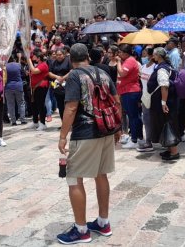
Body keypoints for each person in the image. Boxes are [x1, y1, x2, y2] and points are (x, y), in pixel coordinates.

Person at [56, 44, 120, 244]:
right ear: (87, 57)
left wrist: (63, 135)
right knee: (101, 175)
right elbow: (116, 101)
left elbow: (71, 107)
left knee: (74, 178)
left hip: (85, 132)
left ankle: (81, 230)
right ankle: (103, 222)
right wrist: (119, 128)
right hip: (106, 130)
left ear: (70, 58)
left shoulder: (75, 75)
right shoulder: (103, 73)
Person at [148, 47, 180, 160]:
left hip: (165, 102)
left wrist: (163, 102)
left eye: (154, 55)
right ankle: (169, 149)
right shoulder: (167, 66)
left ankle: (174, 152)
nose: (153, 57)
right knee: (164, 124)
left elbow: (164, 86)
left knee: (168, 124)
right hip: (168, 101)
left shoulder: (162, 69)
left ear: (158, 56)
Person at [116, 44, 144, 149]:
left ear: (125, 53)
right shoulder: (129, 60)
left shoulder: (130, 61)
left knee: (133, 116)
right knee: (135, 116)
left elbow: (122, 73)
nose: (119, 54)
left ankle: (134, 139)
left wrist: (118, 62)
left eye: (120, 52)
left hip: (130, 91)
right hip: (128, 91)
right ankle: (139, 138)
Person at [137, 47, 156, 152]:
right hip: (144, 97)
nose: (143, 55)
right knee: (147, 120)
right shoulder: (143, 66)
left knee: (153, 120)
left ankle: (152, 141)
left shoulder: (155, 67)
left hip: (153, 98)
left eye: (144, 53)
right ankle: (149, 141)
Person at [27, 48, 50, 131]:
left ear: (38, 58)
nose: (32, 57)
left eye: (34, 56)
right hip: (35, 87)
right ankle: (35, 121)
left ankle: (43, 123)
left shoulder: (43, 65)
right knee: (34, 105)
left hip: (41, 87)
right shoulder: (37, 64)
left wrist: (28, 60)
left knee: (40, 105)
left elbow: (34, 71)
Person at [5, 53, 27, 126]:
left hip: (8, 87)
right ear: (14, 59)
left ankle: (13, 121)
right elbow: (23, 73)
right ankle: (23, 120)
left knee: (10, 104)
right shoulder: (18, 65)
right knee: (21, 103)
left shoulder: (5, 66)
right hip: (18, 86)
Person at [49, 48, 72, 119]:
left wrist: (63, 78)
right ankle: (63, 123)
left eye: (60, 55)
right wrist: (57, 77)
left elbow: (72, 70)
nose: (58, 56)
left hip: (67, 85)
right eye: (57, 55)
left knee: (68, 106)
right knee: (60, 106)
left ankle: (70, 123)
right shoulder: (53, 62)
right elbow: (49, 73)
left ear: (64, 55)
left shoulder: (68, 61)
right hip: (56, 85)